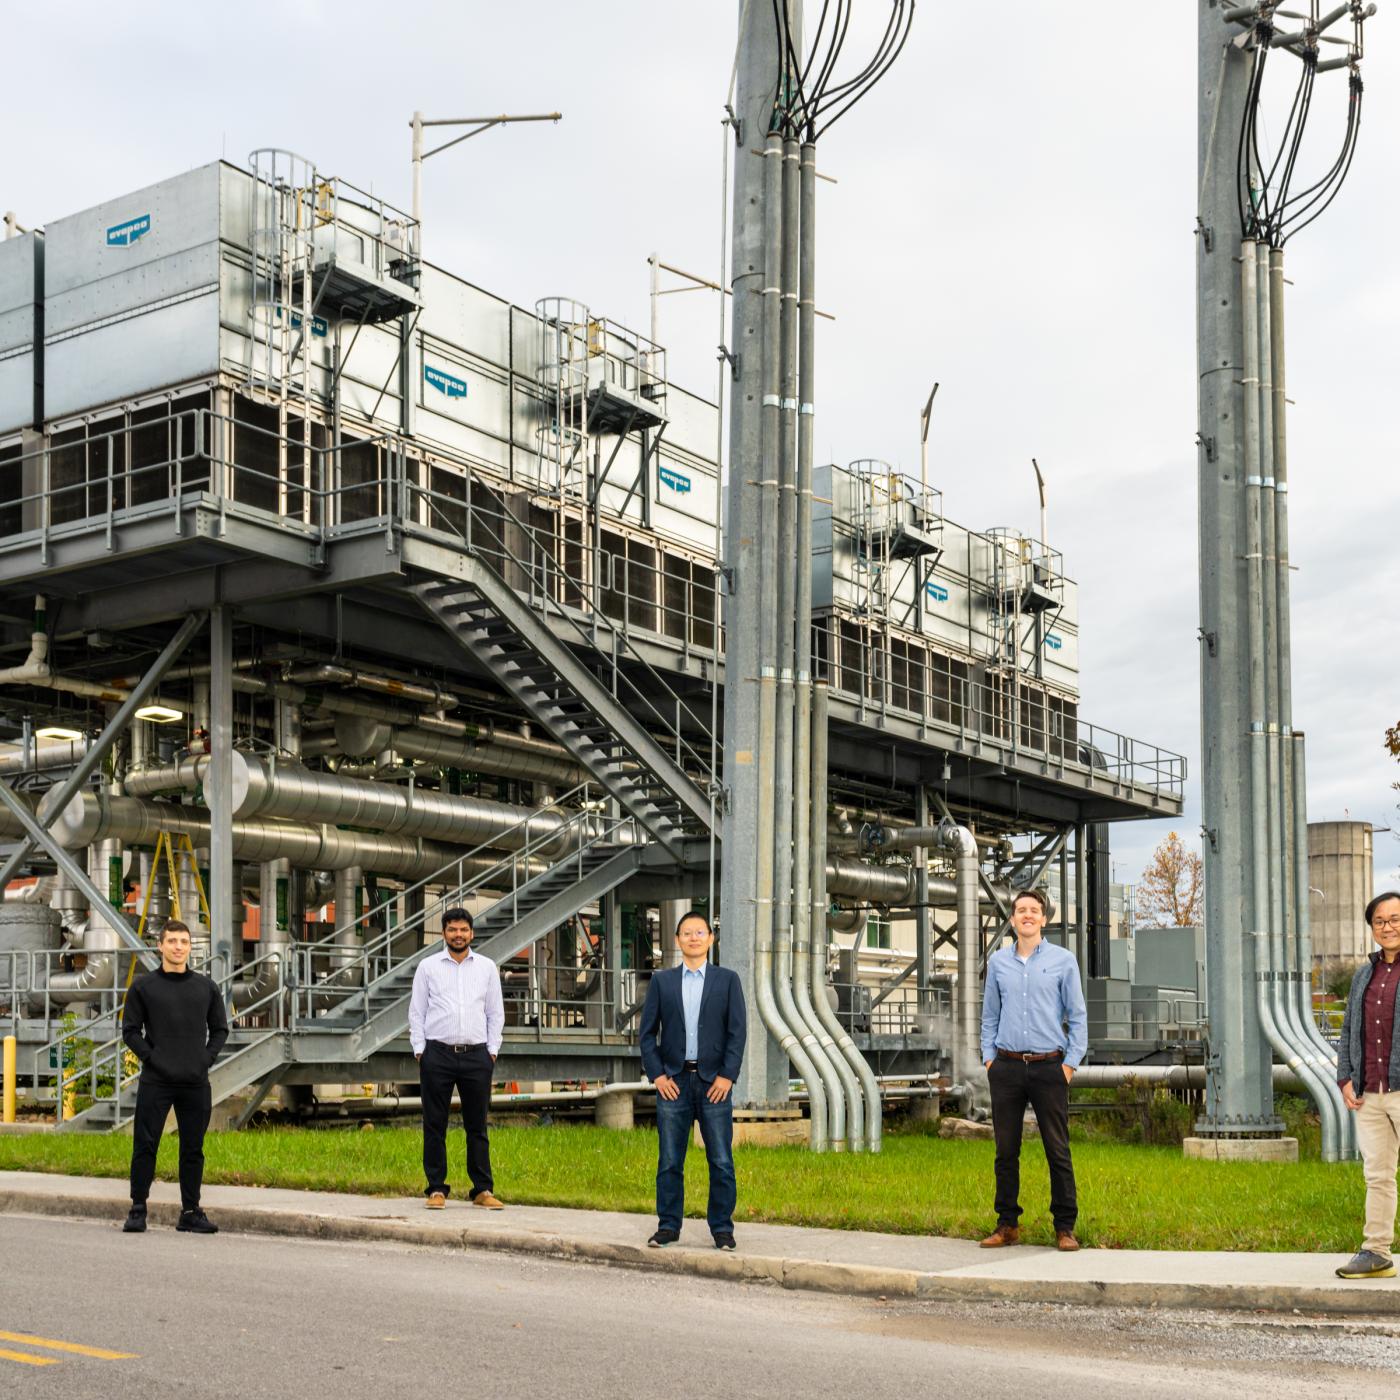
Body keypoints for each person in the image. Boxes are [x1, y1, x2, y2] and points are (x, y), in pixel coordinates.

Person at [978, 887, 1087, 1252]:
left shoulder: (1062, 960)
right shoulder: (998, 964)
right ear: (1012, 920)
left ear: (1043, 919)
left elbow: (1078, 1016)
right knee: (1005, 1152)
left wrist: (1069, 1064)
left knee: (1058, 1149)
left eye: (1033, 910)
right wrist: (989, 1059)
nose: (1027, 915)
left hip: (1049, 1068)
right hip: (1006, 1067)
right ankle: (1007, 1224)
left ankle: (1065, 1227)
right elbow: (989, 1015)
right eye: (1020, 910)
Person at [638, 910, 746, 1250]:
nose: (694, 938)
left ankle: (722, 1230)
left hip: (715, 1084)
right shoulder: (662, 981)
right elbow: (646, 1035)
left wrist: (728, 1077)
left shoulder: (727, 980)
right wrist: (657, 1074)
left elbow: (737, 1032)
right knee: (670, 1160)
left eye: (700, 932)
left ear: (710, 939)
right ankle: (668, 1226)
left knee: (721, 1160)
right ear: (677, 940)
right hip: (674, 1083)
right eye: (687, 933)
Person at [121, 918, 229, 1235]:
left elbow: (220, 1029)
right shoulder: (143, 986)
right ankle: (138, 1209)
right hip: (157, 1080)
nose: (178, 947)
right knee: (145, 1144)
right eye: (172, 941)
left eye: (183, 942)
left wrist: (205, 1059)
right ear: (161, 945)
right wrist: (153, 1058)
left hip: (195, 1081)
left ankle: (191, 1212)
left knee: (193, 1148)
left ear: (190, 947)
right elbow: (130, 1032)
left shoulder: (206, 987)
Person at [408, 906, 505, 1211]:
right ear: (444, 933)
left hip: (477, 1056)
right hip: (437, 1055)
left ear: (471, 933)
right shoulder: (428, 967)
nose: (458, 935)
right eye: (452, 929)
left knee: (477, 1126)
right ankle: (436, 1189)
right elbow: (417, 1012)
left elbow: (495, 1013)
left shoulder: (487, 967)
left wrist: (492, 1051)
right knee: (434, 1125)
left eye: (463, 930)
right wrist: (420, 1050)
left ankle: (482, 1190)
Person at [1334, 890, 1400, 1279]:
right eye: (1380, 921)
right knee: (1377, 1175)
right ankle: (1376, 1251)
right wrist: (1345, 1077)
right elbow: (1347, 1030)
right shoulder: (1364, 974)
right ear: (1372, 929)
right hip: (1370, 1093)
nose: (1388, 926)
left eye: (1394, 919)